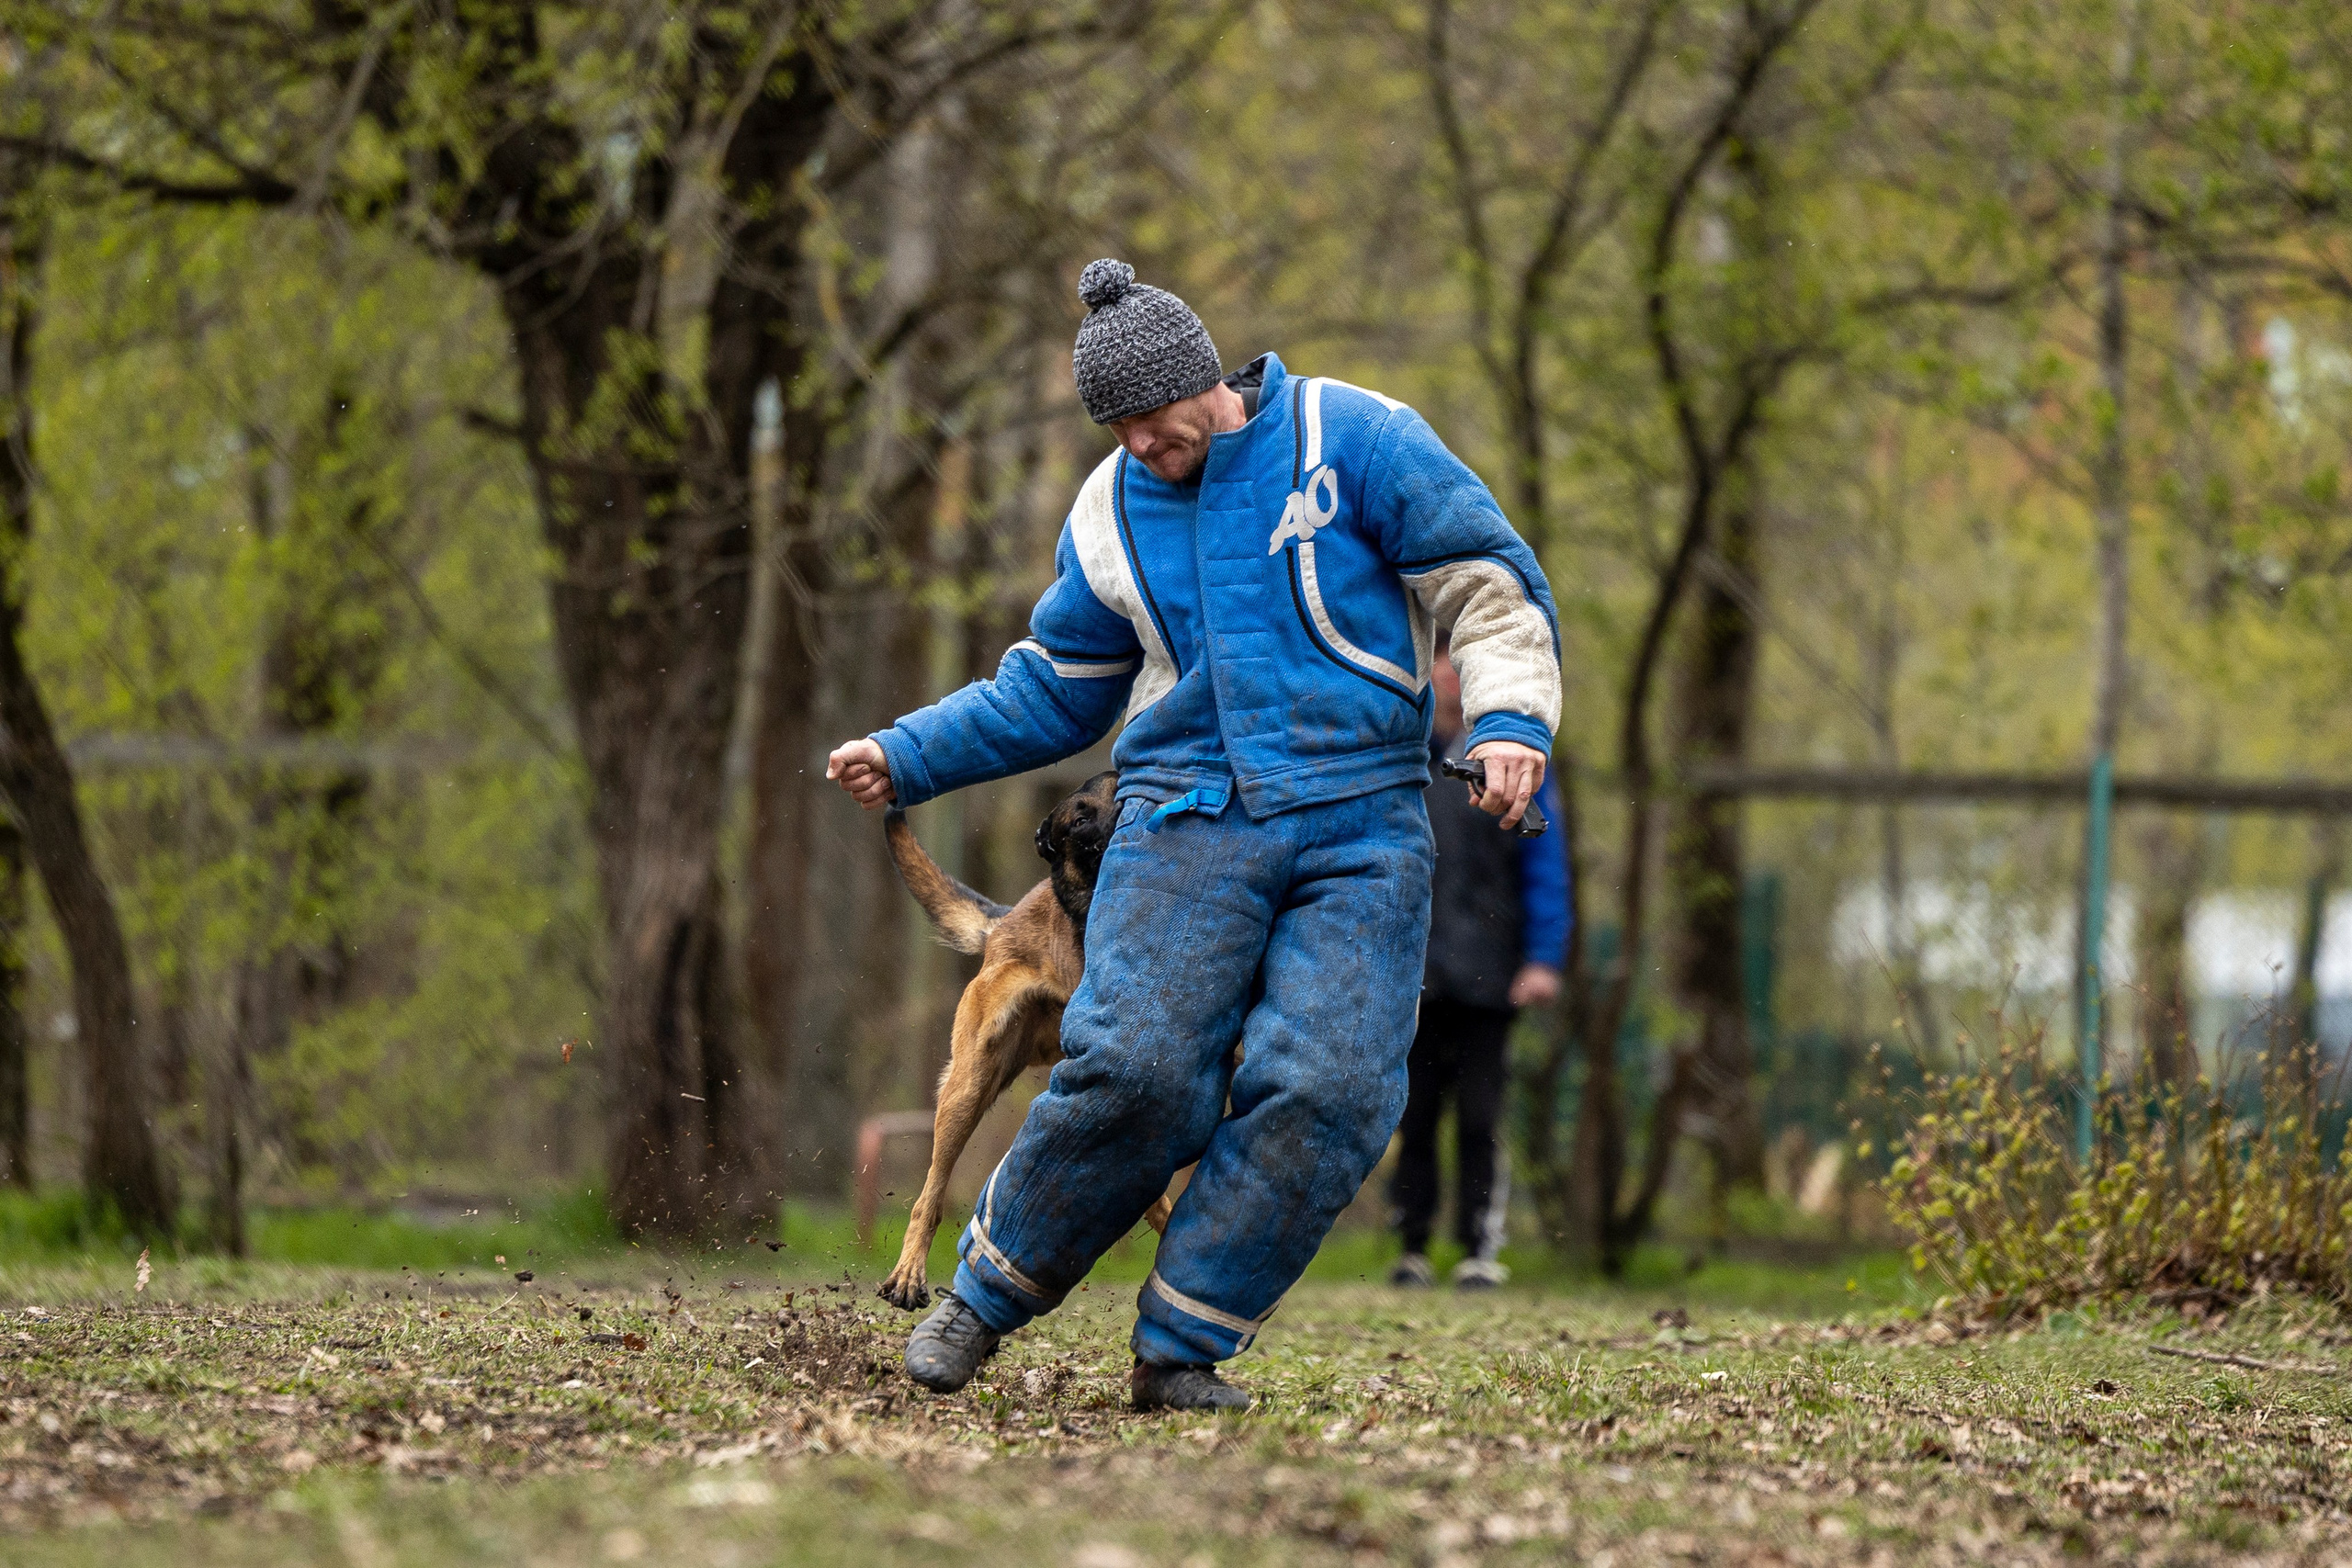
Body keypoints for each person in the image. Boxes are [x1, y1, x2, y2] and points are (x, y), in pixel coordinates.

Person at [825, 258, 1559, 1412]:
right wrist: (909, 751)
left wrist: (1511, 721)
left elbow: (1485, 583)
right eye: (1117, 433)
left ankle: (1180, 1346)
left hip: (1362, 815)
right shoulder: (1110, 507)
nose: (1141, 452)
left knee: (1331, 1086)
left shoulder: (1353, 436)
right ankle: (984, 1293)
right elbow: (1056, 685)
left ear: (1207, 383)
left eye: (1156, 428)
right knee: (1137, 1062)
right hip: (1180, 811)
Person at [1388, 638, 1568, 1292]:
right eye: (1440, 663)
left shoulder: (1511, 765)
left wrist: (1545, 957)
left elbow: (1545, 865)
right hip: (1416, 974)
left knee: (1481, 1116)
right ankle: (1410, 1243)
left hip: (1492, 975)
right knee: (1415, 1113)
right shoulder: (1401, 763)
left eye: (1459, 665)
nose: (1450, 677)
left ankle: (1478, 1247)